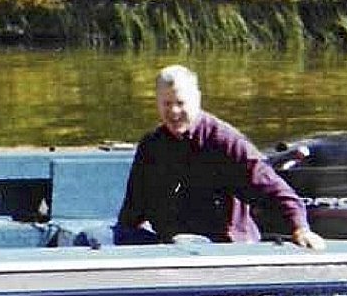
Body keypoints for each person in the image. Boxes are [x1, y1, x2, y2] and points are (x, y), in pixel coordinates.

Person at [114, 64, 325, 249]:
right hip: (173, 247)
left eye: (180, 103)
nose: (174, 111)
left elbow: (273, 188)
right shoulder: (151, 146)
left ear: (197, 99)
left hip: (226, 247)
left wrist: (300, 228)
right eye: (167, 104)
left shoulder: (225, 141)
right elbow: (133, 208)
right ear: (157, 103)